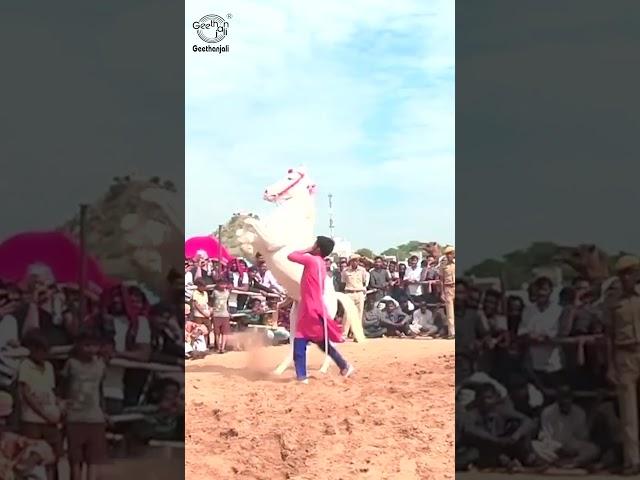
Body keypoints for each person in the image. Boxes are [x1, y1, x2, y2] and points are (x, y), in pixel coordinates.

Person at [286, 236, 354, 383]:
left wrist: (308, 250)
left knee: (300, 340)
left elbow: (291, 256)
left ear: (318, 248)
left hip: (310, 308)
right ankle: (344, 366)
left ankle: (302, 377)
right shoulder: (321, 263)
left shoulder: (312, 260)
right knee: (321, 342)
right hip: (315, 306)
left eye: (315, 244)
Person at [605, 255, 640, 475]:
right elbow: (608, 336)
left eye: (630, 272)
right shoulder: (613, 302)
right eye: (622, 273)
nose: (626, 277)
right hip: (624, 355)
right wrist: (610, 366)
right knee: (628, 413)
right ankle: (633, 461)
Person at [61, 334, 108, 480]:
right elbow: (63, 387)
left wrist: (104, 412)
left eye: (94, 345)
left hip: (95, 418)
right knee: (75, 460)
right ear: (79, 345)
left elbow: (101, 390)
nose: (90, 349)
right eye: (86, 345)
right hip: (74, 416)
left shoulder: (101, 364)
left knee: (93, 459)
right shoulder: (71, 363)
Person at [18, 330, 63, 480]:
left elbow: (50, 390)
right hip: (32, 419)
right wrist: (43, 413)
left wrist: (59, 406)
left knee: (54, 453)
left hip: (50, 417)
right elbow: (25, 393)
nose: (43, 354)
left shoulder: (49, 367)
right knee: (32, 454)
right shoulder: (25, 365)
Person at [538, 385, 600, 468]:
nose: (565, 401)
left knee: (593, 449)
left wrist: (571, 450)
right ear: (557, 399)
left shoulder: (579, 412)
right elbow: (546, 436)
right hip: (554, 447)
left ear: (572, 398)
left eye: (567, 398)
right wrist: (558, 448)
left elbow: (583, 437)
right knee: (535, 446)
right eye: (562, 398)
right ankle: (559, 462)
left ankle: (573, 462)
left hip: (571, 446)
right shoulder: (547, 412)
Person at [341, 254, 368, 324]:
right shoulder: (345, 271)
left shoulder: (362, 270)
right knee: (347, 314)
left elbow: (364, 281)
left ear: (358, 261)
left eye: (356, 261)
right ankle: (345, 333)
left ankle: (356, 333)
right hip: (349, 293)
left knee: (359, 314)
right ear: (350, 262)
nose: (354, 262)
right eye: (352, 261)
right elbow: (343, 283)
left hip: (359, 293)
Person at [440, 245, 456, 338]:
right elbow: (441, 280)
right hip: (448, 288)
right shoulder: (443, 266)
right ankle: (452, 333)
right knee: (450, 312)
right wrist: (442, 292)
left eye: (451, 253)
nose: (449, 255)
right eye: (447, 254)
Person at [211, 281, 231, 354]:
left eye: (224, 284)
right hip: (216, 314)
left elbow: (228, 302)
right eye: (221, 284)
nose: (223, 286)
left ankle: (222, 348)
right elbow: (211, 301)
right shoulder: (215, 292)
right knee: (217, 332)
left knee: (224, 332)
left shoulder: (227, 292)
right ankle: (218, 347)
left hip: (225, 314)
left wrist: (228, 312)